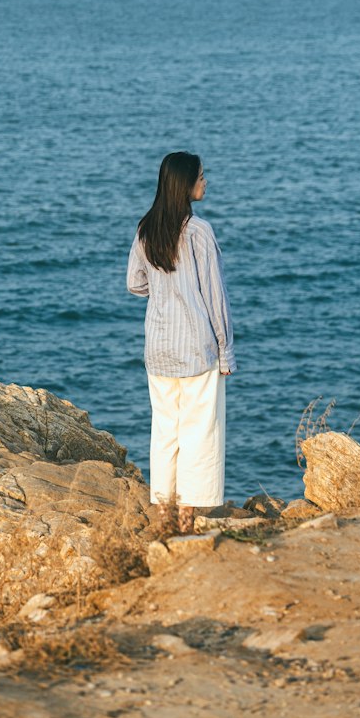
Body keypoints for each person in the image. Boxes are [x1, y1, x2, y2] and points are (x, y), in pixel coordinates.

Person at [126, 151, 236, 534]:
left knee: (165, 432)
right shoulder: (198, 232)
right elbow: (214, 298)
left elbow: (134, 283)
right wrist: (226, 352)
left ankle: (163, 517)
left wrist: (164, 293)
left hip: (158, 350)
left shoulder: (146, 228)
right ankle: (186, 522)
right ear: (185, 185)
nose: (206, 181)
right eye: (201, 176)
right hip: (196, 349)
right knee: (198, 433)